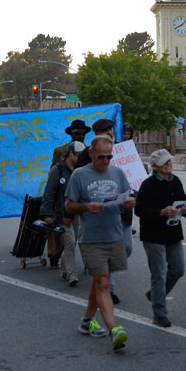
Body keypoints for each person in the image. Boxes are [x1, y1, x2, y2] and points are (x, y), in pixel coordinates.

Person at [65, 135, 135, 350]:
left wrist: (129, 203)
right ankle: (114, 329)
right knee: (103, 282)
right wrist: (86, 207)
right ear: (92, 153)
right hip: (91, 239)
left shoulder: (118, 172)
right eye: (101, 157)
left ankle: (86, 322)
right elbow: (68, 205)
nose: (105, 161)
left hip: (114, 236)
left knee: (99, 281)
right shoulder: (79, 175)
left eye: (109, 156)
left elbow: (127, 197)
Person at [135, 148, 186, 328]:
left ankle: (156, 294)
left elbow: (182, 201)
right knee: (159, 274)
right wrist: (160, 212)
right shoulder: (148, 185)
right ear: (155, 167)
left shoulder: (176, 181)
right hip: (153, 234)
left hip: (173, 232)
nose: (168, 164)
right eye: (164, 162)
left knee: (179, 269)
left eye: (169, 161)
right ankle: (159, 313)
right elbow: (139, 210)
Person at [41, 140, 86, 286]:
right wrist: (47, 214)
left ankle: (64, 269)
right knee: (70, 241)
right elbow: (49, 192)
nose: (80, 158)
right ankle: (72, 274)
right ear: (71, 153)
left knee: (73, 242)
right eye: (78, 155)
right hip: (62, 214)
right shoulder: (58, 170)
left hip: (77, 212)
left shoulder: (80, 171)